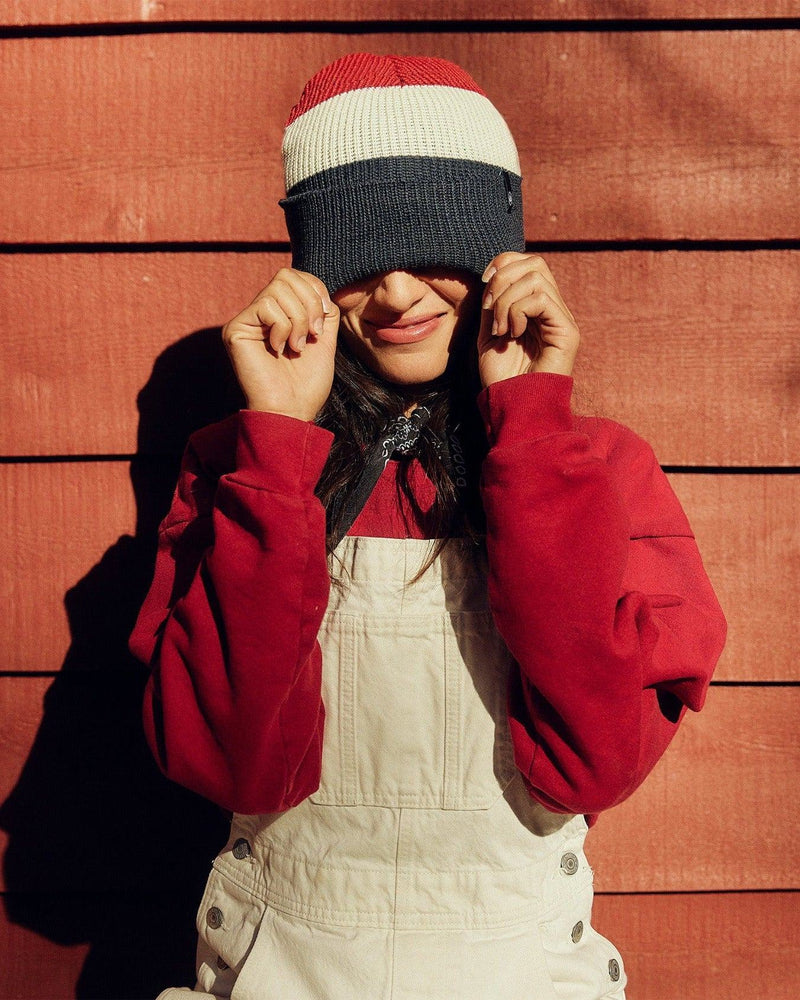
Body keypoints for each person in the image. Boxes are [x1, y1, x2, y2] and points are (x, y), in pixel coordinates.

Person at [130, 53, 727, 1000]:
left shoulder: (602, 469)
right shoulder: (236, 464)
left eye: (435, 247)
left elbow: (596, 761)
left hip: (523, 972)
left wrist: (530, 427)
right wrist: (280, 445)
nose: (400, 294)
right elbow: (227, 760)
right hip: (279, 970)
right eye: (361, 257)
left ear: (499, 251)